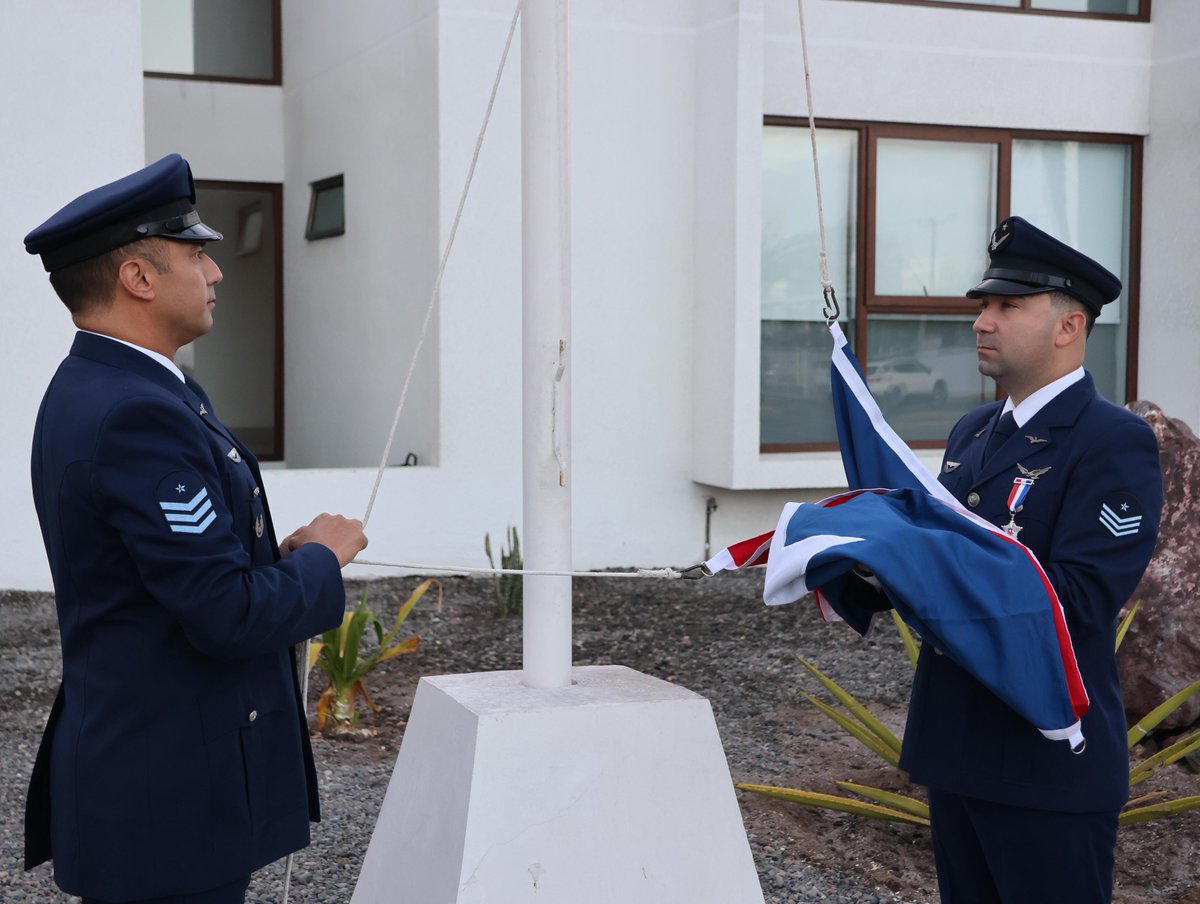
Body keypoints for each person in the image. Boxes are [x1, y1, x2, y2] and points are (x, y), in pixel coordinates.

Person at [22, 154, 368, 904]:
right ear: (139, 278)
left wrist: (274, 560)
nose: (215, 274)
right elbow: (224, 612)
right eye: (196, 253)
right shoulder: (134, 411)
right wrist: (323, 562)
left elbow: (175, 571)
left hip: (159, 779)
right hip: (169, 799)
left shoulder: (122, 386)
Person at [875, 216, 1161, 903]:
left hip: (1046, 765)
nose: (982, 321)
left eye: (1007, 306)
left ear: (1068, 328)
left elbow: (1081, 597)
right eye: (982, 305)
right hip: (959, 751)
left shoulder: (1111, 441)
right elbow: (935, 558)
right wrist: (863, 559)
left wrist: (931, 562)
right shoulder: (973, 431)